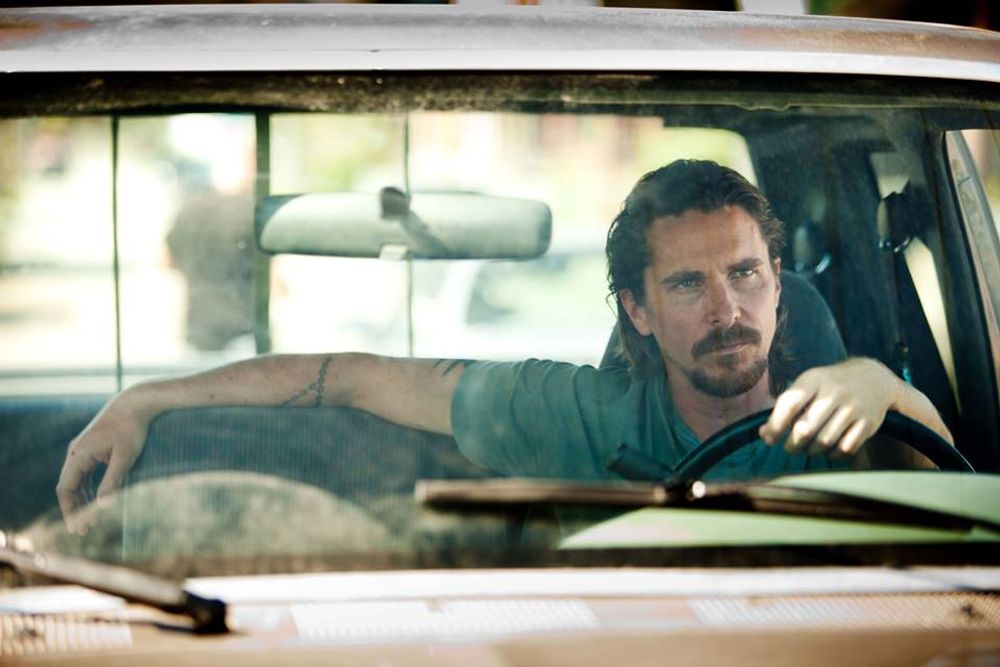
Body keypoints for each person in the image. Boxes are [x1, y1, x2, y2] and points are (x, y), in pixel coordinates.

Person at [57, 160, 953, 533]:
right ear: (637, 310)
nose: (728, 309)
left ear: (776, 281)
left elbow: (963, 543)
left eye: (746, 273)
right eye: (687, 284)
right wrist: (152, 396)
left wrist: (888, 391)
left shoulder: (854, 417)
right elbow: (356, 378)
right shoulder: (575, 413)